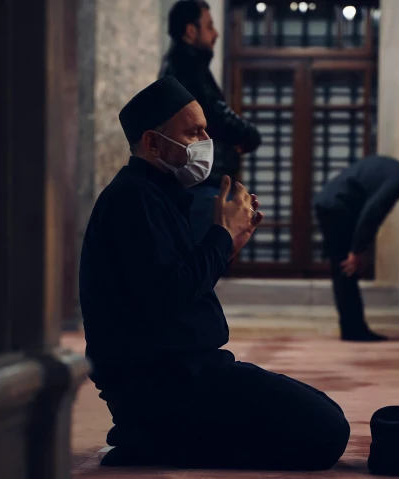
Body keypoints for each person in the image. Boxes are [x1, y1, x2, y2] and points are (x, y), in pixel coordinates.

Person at [79, 76, 350, 471]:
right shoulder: (133, 199)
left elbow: (180, 287)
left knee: (324, 414)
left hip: (190, 372)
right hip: (165, 385)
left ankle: (160, 437)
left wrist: (229, 245)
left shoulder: (157, 194)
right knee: (326, 433)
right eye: (193, 132)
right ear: (153, 142)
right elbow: (169, 295)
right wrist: (221, 235)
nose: (207, 141)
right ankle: (156, 440)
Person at [159, 0, 262, 241]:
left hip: (198, 182)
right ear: (191, 31)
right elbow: (216, 117)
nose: (215, 33)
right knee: (201, 264)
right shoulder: (187, 67)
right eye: (209, 26)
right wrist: (248, 135)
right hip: (199, 184)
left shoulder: (184, 64)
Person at [314, 156, 399, 342]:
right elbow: (373, 213)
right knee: (346, 268)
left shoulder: (398, 171)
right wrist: (357, 251)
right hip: (338, 206)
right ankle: (353, 329)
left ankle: (353, 326)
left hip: (333, 203)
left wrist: (360, 248)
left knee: (344, 269)